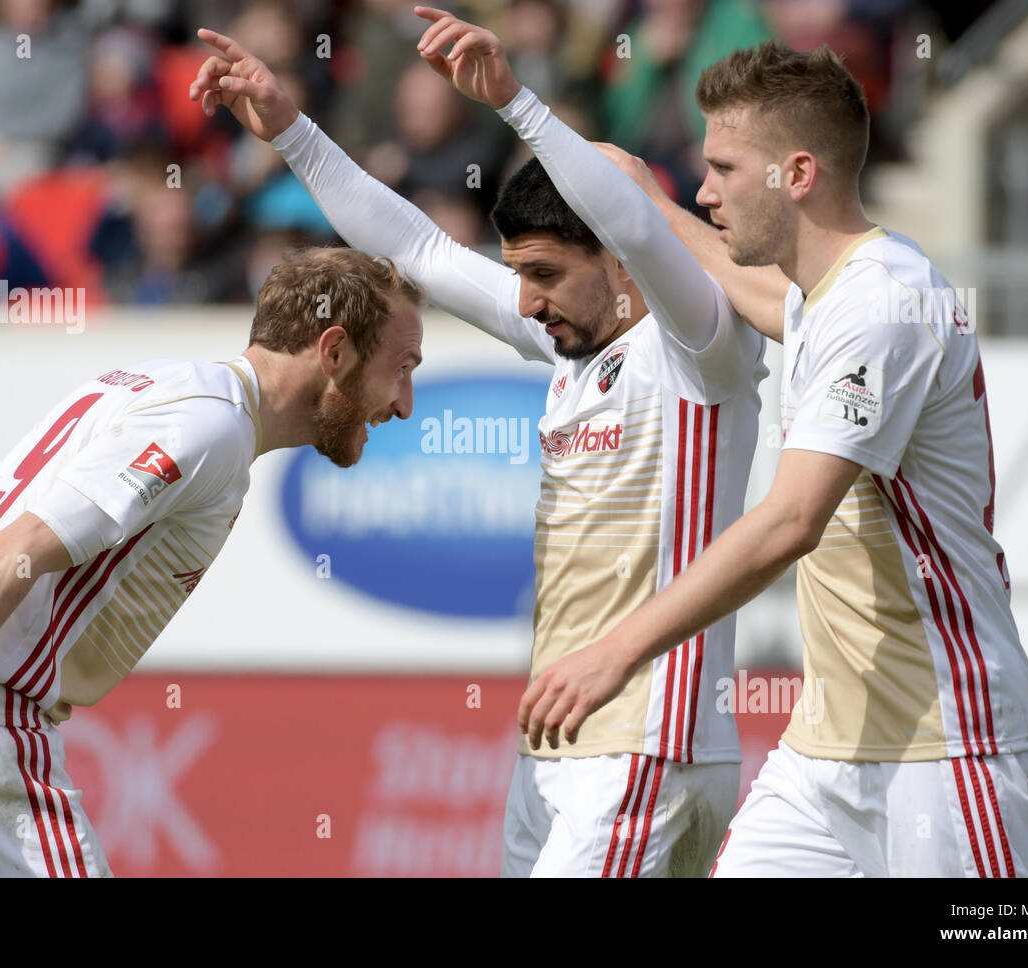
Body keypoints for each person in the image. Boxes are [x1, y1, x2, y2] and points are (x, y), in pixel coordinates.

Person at [187, 8, 781, 876]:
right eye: (520, 273)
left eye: (545, 275)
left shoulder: (701, 348)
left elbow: (649, 228)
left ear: (617, 263)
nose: (527, 300)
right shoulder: (573, 341)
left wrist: (515, 102)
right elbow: (422, 247)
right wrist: (292, 131)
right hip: (560, 745)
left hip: (648, 741)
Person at [519, 40, 1028, 877]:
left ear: (796, 175)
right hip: (825, 750)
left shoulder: (883, 305)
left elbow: (792, 520)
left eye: (725, 167)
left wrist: (619, 648)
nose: (706, 188)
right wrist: (649, 206)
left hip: (945, 743)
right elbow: (769, 300)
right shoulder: (825, 295)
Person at [0, 246, 423, 876]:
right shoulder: (209, 430)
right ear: (334, 351)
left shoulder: (145, 386)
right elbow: (15, 550)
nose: (405, 403)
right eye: (402, 367)